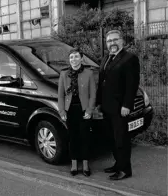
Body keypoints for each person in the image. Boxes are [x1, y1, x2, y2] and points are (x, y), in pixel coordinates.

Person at [96, 30, 140, 180]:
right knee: (112, 138)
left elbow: (132, 85)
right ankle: (117, 164)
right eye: (109, 41)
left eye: (115, 40)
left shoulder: (130, 59)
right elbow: (101, 83)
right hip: (107, 107)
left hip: (120, 108)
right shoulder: (106, 58)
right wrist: (98, 103)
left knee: (122, 139)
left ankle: (125, 170)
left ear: (122, 41)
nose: (112, 43)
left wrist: (127, 105)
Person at [58, 48, 96, 177]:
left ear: (81, 58)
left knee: (85, 137)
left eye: (76, 56)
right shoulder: (64, 74)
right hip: (70, 110)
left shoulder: (89, 73)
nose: (73, 59)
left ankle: (85, 164)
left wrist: (90, 110)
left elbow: (93, 95)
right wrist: (62, 110)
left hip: (84, 109)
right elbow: (61, 95)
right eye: (71, 57)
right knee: (73, 138)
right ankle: (74, 164)